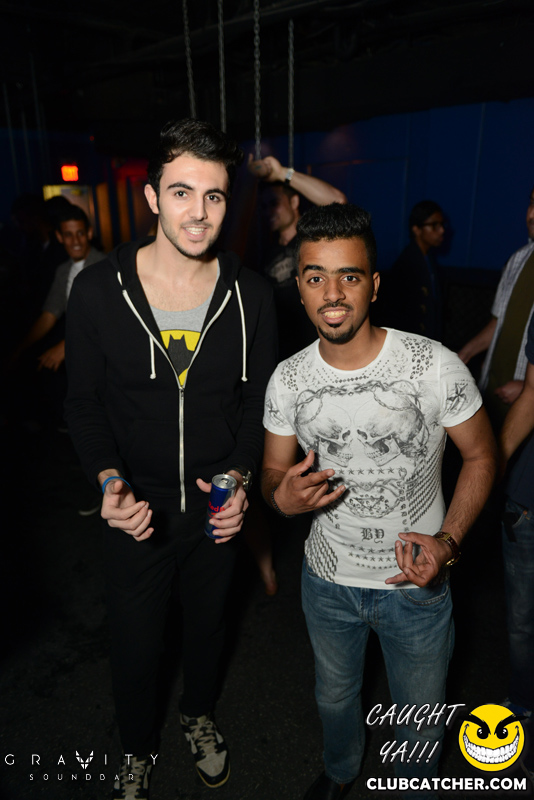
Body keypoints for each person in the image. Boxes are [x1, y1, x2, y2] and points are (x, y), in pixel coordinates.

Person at [64, 118, 277, 798]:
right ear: (153, 196)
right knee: (136, 646)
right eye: (181, 192)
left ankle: (198, 716)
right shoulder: (98, 291)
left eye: (214, 196)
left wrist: (240, 478)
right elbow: (84, 405)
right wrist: (108, 482)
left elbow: (258, 405)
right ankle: (136, 748)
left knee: (209, 631)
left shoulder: (253, 297)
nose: (198, 212)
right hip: (137, 512)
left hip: (214, 512)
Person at [262, 203, 496, 800]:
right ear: (299, 286)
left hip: (415, 587)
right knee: (334, 697)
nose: (332, 293)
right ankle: (341, 770)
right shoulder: (287, 380)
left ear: (374, 283)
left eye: (349, 276)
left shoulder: (434, 367)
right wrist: (279, 496)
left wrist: (448, 543)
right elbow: (272, 471)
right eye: (315, 277)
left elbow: (481, 456)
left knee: (420, 721)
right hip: (326, 583)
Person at [248, 154, 347, 358]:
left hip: (318, 348)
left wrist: (282, 173)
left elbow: (338, 201)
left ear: (293, 201)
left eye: (274, 203)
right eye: (264, 207)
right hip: (285, 352)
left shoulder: (313, 239)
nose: (269, 212)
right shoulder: (268, 251)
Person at [459, 187, 534, 429]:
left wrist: (527, 387)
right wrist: (463, 355)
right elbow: (497, 322)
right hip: (491, 394)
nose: (532, 214)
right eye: (532, 203)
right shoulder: (518, 259)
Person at [499, 312, 534, 778]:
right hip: (527, 498)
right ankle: (524, 703)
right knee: (522, 622)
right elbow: (532, 395)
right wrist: (491, 467)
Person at [12, 205, 102, 372]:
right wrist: (19, 349)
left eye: (80, 233)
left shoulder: (104, 266)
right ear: (59, 237)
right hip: (79, 360)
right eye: (68, 235)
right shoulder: (63, 271)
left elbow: (104, 317)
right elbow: (49, 314)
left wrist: (66, 345)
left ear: (89, 233)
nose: (75, 241)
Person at [384, 200, 445, 339]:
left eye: (442, 225)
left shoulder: (428, 258)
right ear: (416, 229)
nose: (442, 230)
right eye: (434, 225)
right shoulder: (407, 263)